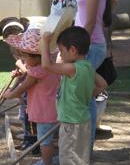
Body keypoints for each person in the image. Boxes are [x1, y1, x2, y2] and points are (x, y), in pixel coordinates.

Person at [64, 0, 112, 145]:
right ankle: (83, 145)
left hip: (90, 45)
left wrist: (80, 50)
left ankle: (84, 146)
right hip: (89, 44)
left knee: (84, 96)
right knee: (85, 95)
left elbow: (91, 20)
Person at [3, 27, 60, 165]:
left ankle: (47, 163)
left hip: (44, 112)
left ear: (35, 56)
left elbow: (23, 87)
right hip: (55, 109)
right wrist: (22, 73)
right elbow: (30, 75)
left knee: (44, 141)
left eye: (24, 56)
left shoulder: (36, 73)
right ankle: (53, 159)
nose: (22, 59)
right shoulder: (47, 66)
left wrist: (9, 94)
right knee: (50, 138)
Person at [41, 26, 95, 165]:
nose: (61, 54)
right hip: (84, 120)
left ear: (73, 50)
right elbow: (102, 84)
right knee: (80, 158)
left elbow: (47, 66)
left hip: (71, 123)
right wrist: (84, 94)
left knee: (68, 158)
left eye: (61, 51)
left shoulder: (72, 68)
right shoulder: (88, 67)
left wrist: (45, 43)